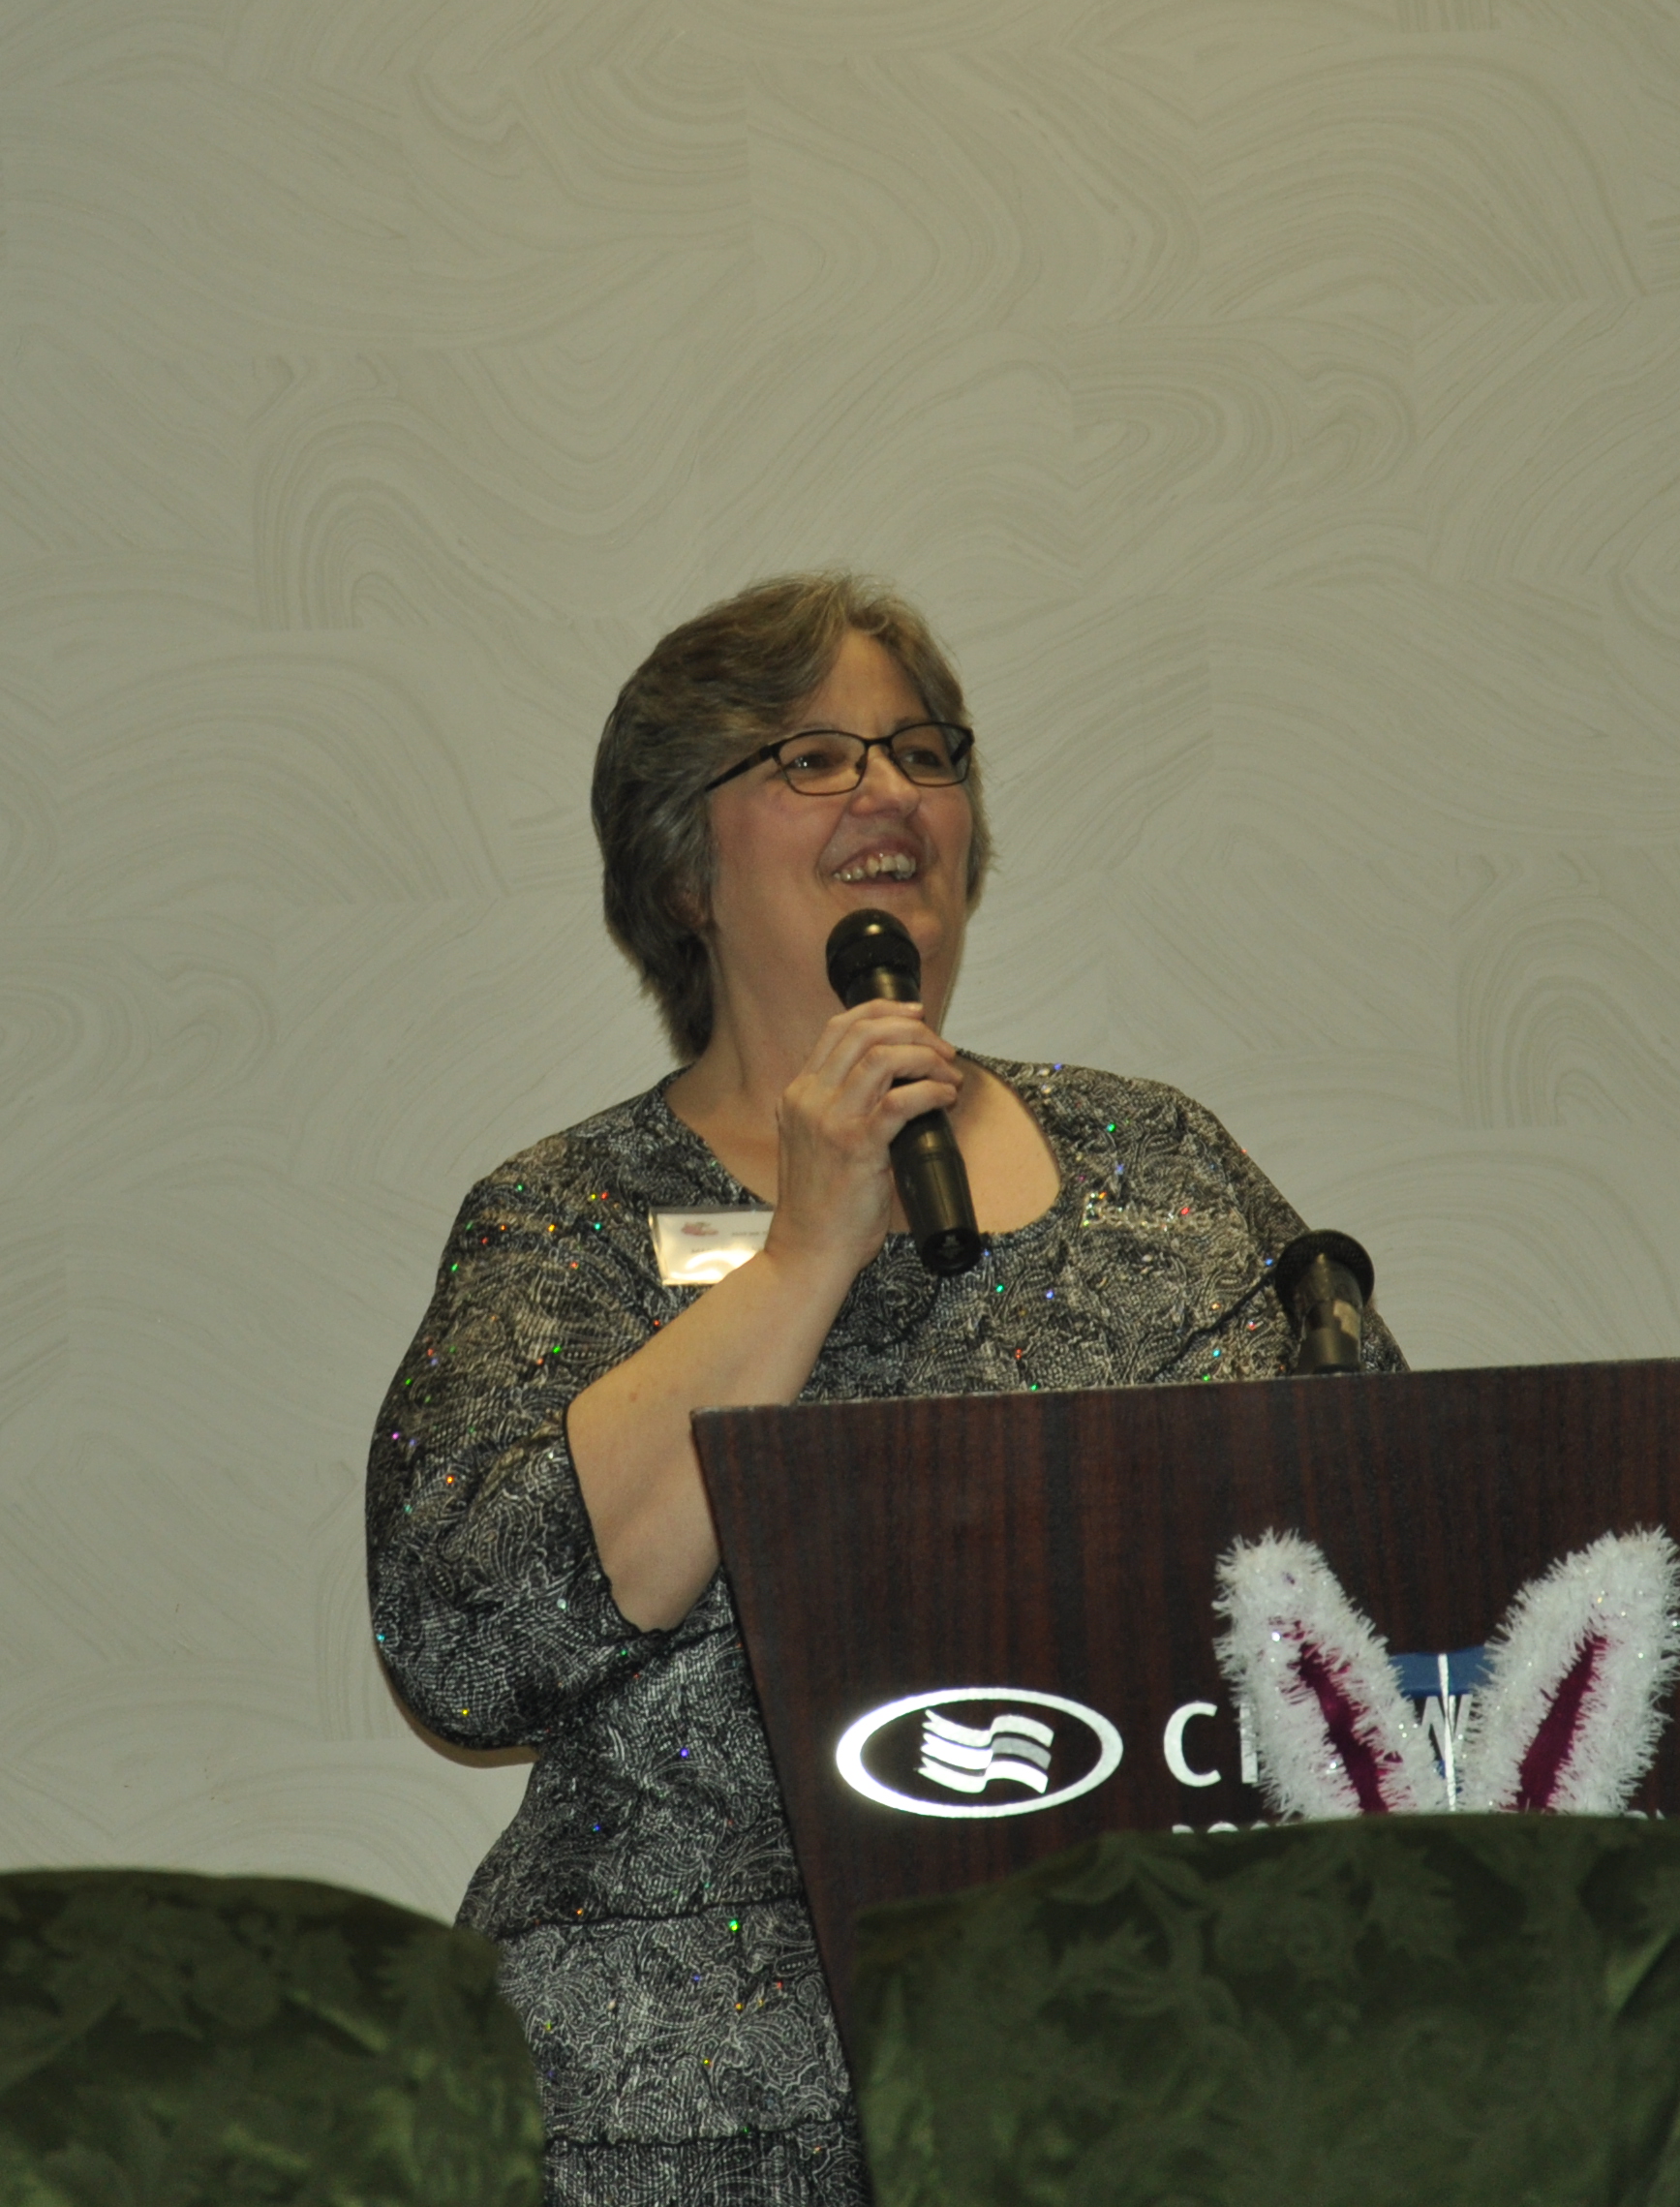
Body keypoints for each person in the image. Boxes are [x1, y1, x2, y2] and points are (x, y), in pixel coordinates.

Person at [365, 570, 1401, 2205]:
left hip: (1152, 2076)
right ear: (681, 868)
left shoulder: (1158, 1161)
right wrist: (802, 1256)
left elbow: (1390, 1551)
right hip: (694, 2119)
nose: (890, 793)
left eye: (924, 753)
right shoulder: (568, 1219)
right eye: (811, 758)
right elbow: (463, 1645)